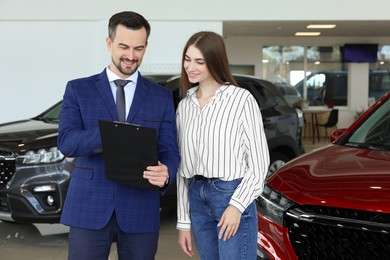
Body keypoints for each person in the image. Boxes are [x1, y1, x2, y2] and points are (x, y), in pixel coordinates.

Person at [58, 11, 180, 260]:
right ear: (109, 43)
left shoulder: (161, 96)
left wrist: (166, 172)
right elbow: (67, 142)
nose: (131, 56)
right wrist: (109, 133)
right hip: (89, 206)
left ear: (146, 46)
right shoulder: (78, 89)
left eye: (139, 48)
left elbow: (170, 150)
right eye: (124, 46)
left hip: (140, 208)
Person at [176, 31, 270, 260]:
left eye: (199, 61)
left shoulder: (241, 100)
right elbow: (182, 169)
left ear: (215, 62)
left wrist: (237, 206)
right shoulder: (184, 107)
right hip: (196, 197)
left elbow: (259, 164)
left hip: (231, 194)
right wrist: (183, 222)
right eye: (187, 59)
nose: (191, 67)